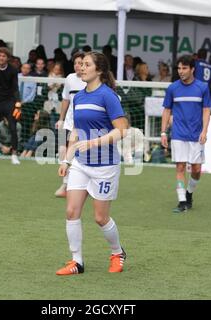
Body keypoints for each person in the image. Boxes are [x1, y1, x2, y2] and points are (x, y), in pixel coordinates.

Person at [55, 51, 128, 276]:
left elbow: (123, 130)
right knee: (71, 211)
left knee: (100, 218)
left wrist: (96, 142)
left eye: (87, 65)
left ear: (99, 70)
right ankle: (77, 261)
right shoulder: (79, 97)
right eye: (81, 64)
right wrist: (67, 160)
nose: (81, 68)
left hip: (105, 166)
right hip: (81, 164)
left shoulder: (108, 96)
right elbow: (76, 131)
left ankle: (117, 253)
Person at [161, 55, 211, 213]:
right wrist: (163, 132)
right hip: (178, 134)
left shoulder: (202, 88)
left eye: (184, 68)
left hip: (196, 135)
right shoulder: (173, 88)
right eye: (179, 68)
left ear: (192, 69)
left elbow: (206, 110)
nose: (181, 71)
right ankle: (182, 201)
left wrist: (204, 131)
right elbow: (167, 110)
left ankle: (189, 193)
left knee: (196, 169)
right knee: (180, 167)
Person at [54, 52, 86, 198]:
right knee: (63, 150)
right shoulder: (70, 78)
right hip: (69, 122)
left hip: (85, 123)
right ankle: (65, 183)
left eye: (81, 63)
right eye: (75, 63)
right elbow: (66, 99)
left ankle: (85, 184)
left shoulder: (91, 79)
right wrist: (61, 119)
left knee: (82, 153)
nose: (78, 66)